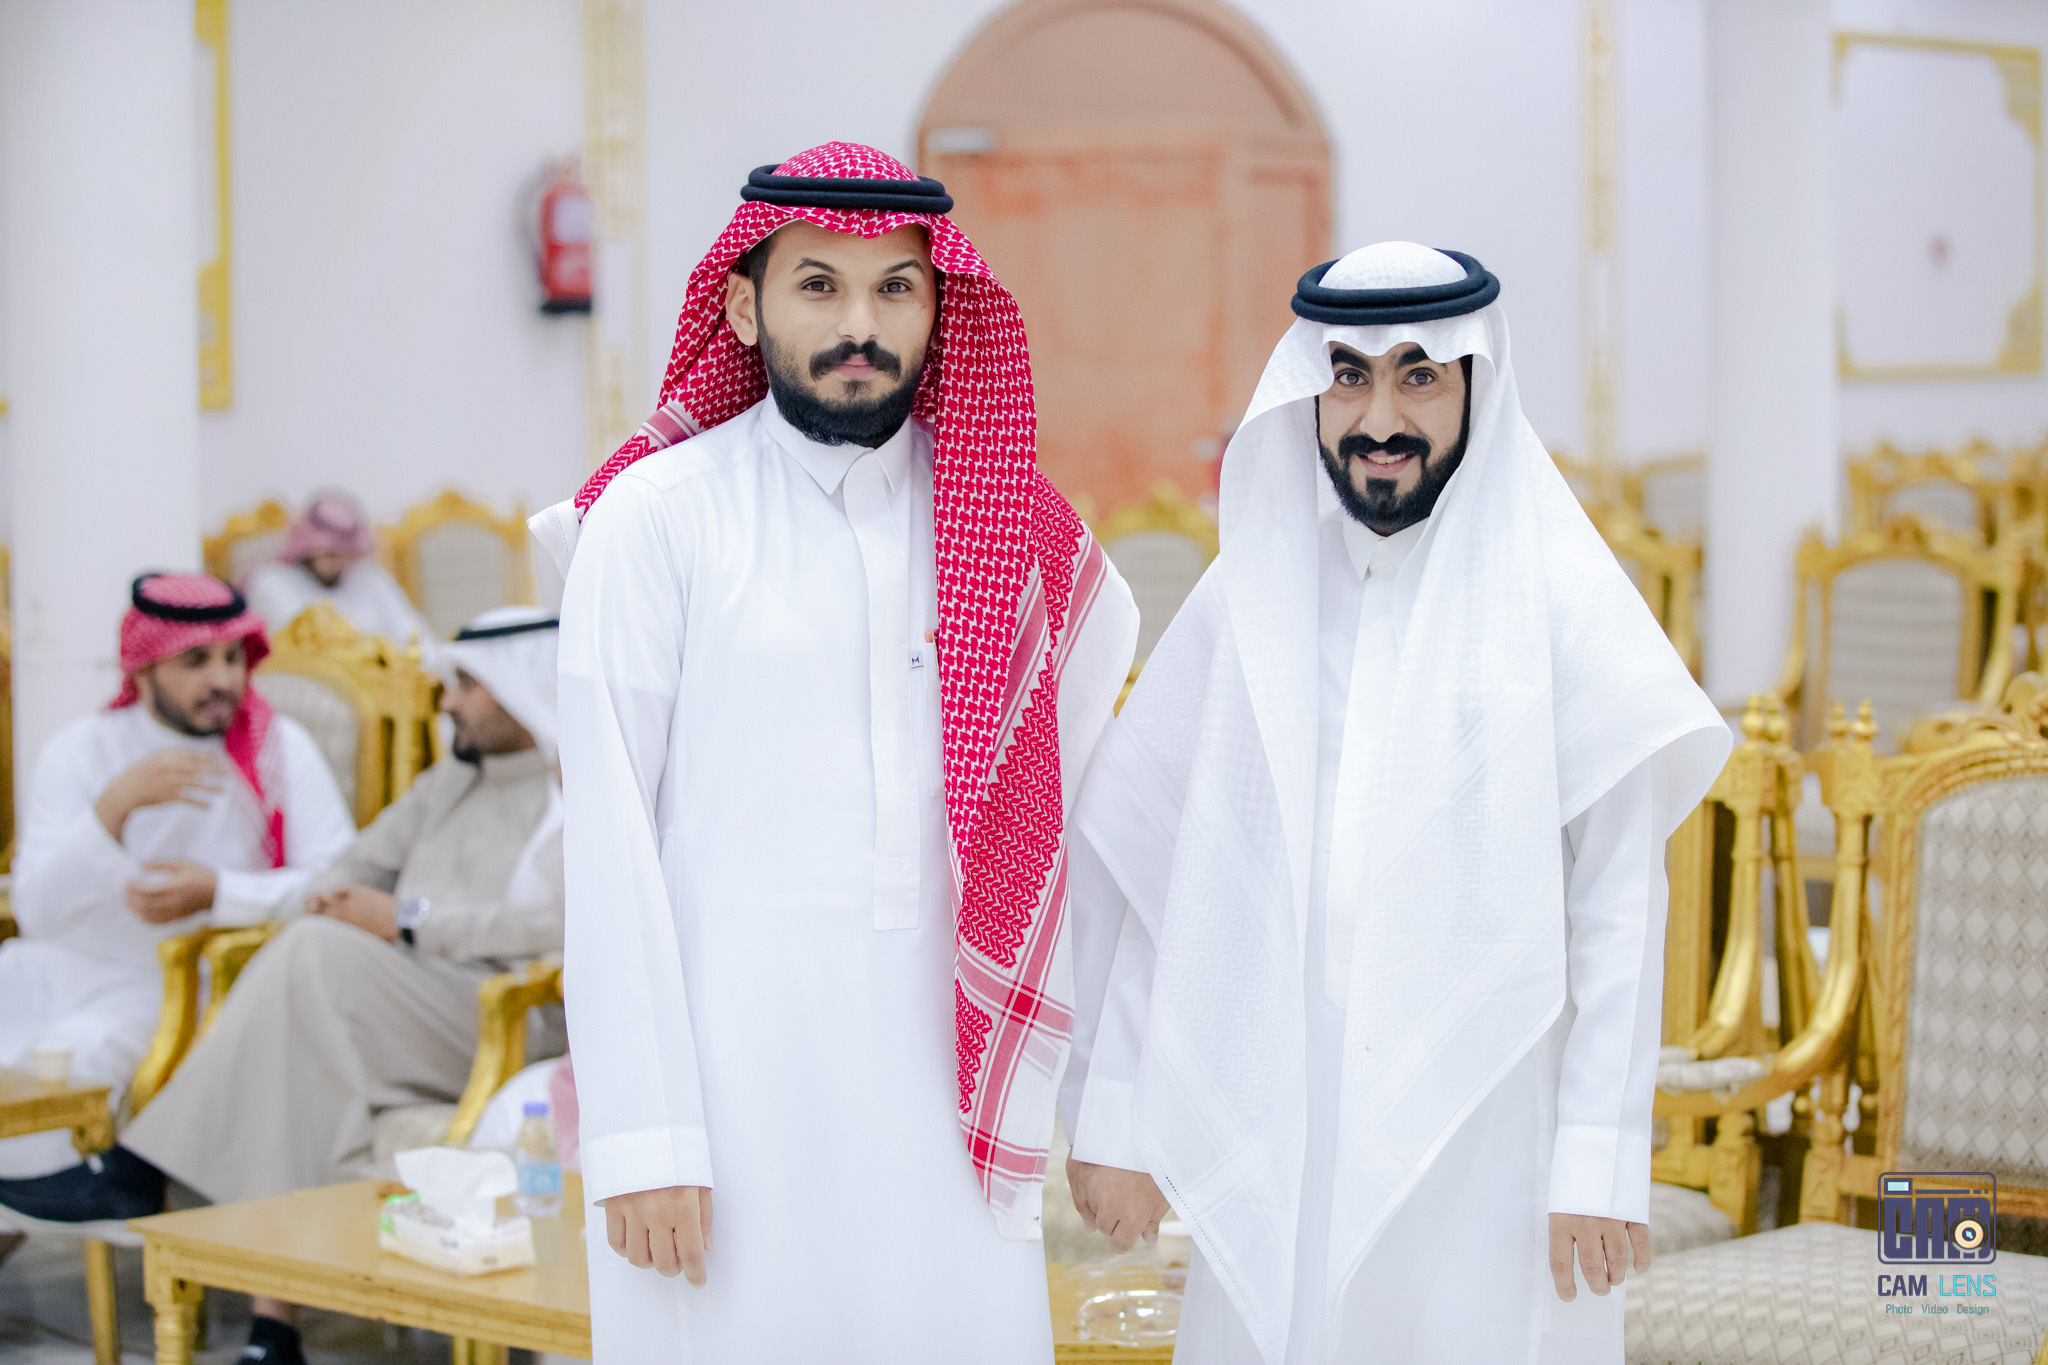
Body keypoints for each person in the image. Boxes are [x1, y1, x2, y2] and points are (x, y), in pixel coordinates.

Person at [1060, 242, 1729, 1363]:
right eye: (1349, 377)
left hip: (1488, 1123)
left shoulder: (1558, 594)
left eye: (1418, 376)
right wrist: (1120, 1112)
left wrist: (1597, 1153)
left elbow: (1621, 900)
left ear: (1474, 384)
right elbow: (1168, 871)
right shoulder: (1250, 591)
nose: (1380, 417)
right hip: (1281, 1102)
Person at [533, 143, 1136, 1362]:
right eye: (818, 285)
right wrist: (646, 1136)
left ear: (938, 307)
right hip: (725, 1095)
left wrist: (1111, 1106)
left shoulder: (1017, 534)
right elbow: (607, 842)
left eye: (895, 289)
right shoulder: (659, 518)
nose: (859, 325)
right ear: (742, 306)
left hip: (946, 1093)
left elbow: (1087, 835)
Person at [0, 606, 564, 1365]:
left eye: (468, 685)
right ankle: (275, 1326)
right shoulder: (448, 783)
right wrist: (339, 897)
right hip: (401, 997)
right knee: (299, 1045)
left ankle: (141, 1170)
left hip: (505, 1010)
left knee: (312, 956)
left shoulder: (573, 787)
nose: (449, 702)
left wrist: (407, 919)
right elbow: (346, 867)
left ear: (524, 689)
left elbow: (562, 923)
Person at [0, 574, 354, 1180]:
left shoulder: (279, 750)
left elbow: (339, 886)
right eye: (195, 662)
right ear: (142, 670)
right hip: (67, 965)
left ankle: (60, 1209)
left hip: (188, 983)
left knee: (80, 1053)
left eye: (232, 658)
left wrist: (219, 892)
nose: (223, 680)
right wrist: (113, 810)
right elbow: (35, 909)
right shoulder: (80, 750)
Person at [243, 489, 433, 648]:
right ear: (307, 549)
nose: (336, 562)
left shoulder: (368, 578)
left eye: (344, 554)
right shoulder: (271, 582)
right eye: (328, 554)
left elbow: (413, 634)